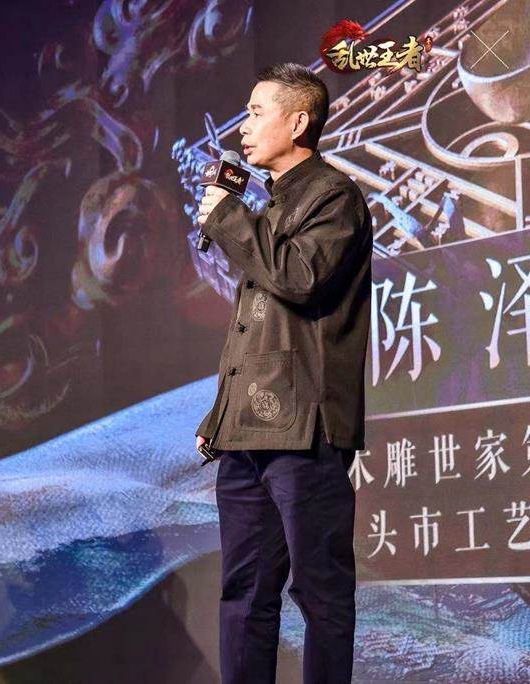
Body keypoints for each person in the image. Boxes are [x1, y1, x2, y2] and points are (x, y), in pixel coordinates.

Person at [194, 62, 373, 684]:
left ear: (298, 122)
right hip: (247, 433)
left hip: (305, 429)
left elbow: (298, 278)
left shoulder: (334, 196)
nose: (243, 128)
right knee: (244, 593)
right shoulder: (268, 205)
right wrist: (220, 414)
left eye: (255, 113)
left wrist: (226, 215)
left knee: (321, 592)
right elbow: (257, 327)